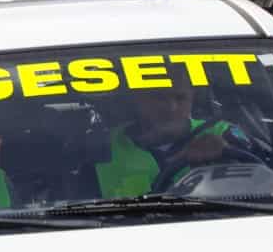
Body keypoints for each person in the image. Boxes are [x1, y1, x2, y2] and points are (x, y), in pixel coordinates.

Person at [95, 85, 243, 199]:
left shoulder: (221, 132)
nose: (171, 107)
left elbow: (260, 169)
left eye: (180, 98)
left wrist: (228, 154)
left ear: (193, 97)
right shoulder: (101, 146)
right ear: (136, 97)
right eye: (158, 97)